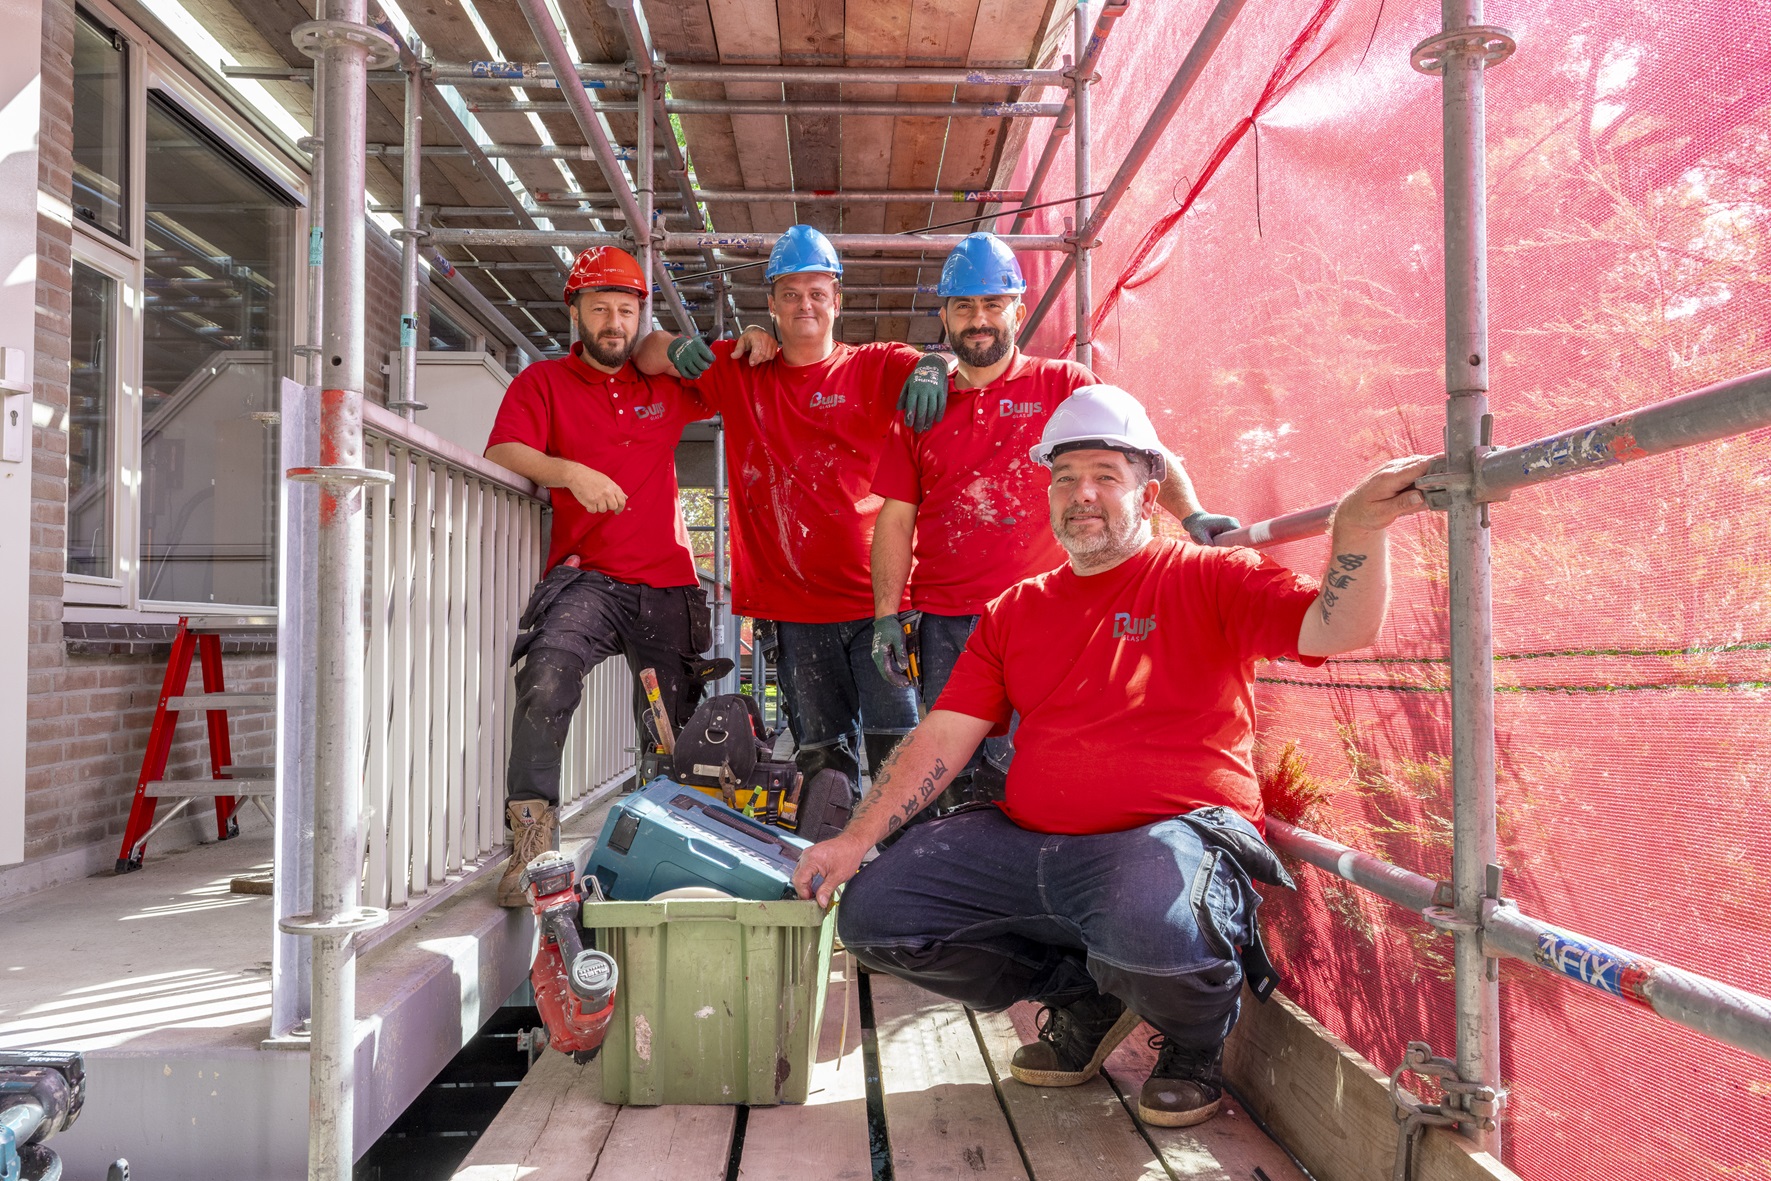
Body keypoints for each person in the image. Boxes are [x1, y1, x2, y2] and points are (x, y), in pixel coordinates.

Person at [792, 383, 1432, 1127]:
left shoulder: (1210, 576)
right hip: (1035, 844)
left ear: (1149, 495)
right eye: (1064, 478)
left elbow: (1338, 627)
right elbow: (941, 734)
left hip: (1170, 836)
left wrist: (1358, 526)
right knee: (877, 915)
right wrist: (853, 840)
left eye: (1105, 476)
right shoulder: (1017, 608)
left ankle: (1193, 1041)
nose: (1082, 494)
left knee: (1151, 925)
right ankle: (1083, 996)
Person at [867, 233, 1237, 815]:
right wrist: (886, 615)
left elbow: (1145, 454)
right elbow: (896, 518)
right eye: (964, 306)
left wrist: (1192, 515)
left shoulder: (1065, 387)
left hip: (1050, 615)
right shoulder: (922, 410)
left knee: (1042, 766)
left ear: (1018, 311)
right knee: (953, 779)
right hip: (947, 625)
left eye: (993, 304)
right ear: (944, 317)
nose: (979, 320)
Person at [634, 225, 953, 790]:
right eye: (791, 293)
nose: (805, 304)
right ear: (772, 303)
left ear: (837, 300)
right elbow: (645, 352)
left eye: (817, 293)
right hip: (795, 613)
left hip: (880, 606)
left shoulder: (873, 365)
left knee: (900, 757)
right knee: (822, 764)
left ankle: (900, 850)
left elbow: (949, 365)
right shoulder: (741, 370)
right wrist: (680, 345)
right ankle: (828, 848)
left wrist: (934, 365)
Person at [483, 246, 736, 907]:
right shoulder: (543, 382)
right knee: (545, 678)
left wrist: (670, 345)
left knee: (672, 726)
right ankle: (531, 849)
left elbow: (728, 376)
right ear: (575, 313)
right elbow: (505, 448)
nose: (614, 322)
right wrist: (570, 473)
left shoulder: (662, 387)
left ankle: (667, 846)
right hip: (588, 579)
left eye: (626, 310)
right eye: (600, 309)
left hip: (668, 582)